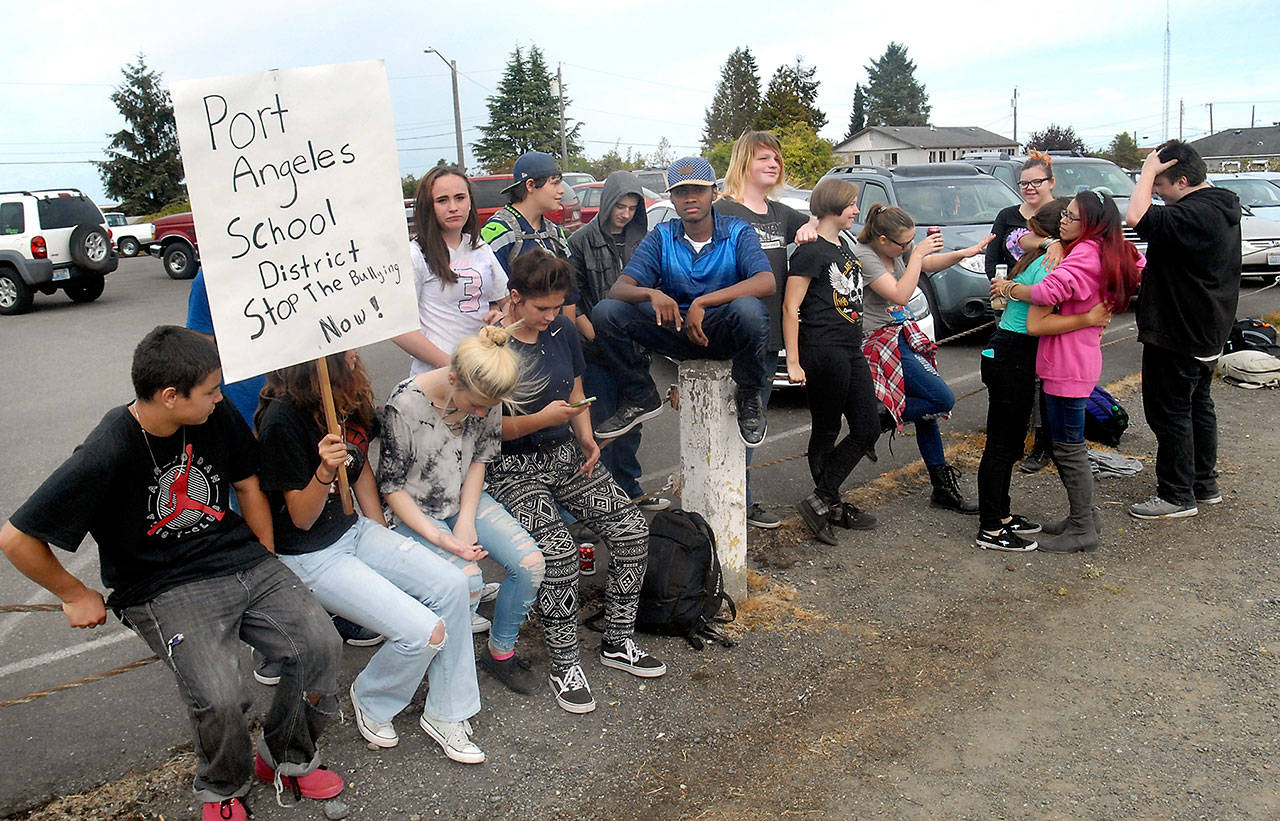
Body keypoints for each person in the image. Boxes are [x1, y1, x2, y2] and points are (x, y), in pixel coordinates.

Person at [0, 327, 344, 821]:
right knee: (223, 695)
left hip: (240, 559)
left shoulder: (212, 412)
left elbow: (246, 484)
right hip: (163, 586)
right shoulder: (108, 448)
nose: (220, 398)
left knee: (319, 646)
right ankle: (223, 787)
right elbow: (16, 538)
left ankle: (287, 755)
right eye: (210, 391)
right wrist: (73, 593)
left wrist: (265, 553)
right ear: (169, 396)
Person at [255, 350, 484, 763]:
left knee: (454, 584)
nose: (358, 357)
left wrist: (381, 537)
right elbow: (301, 521)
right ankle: (372, 697)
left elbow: (360, 468)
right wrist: (324, 472)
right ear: (319, 364)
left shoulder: (347, 401)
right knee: (423, 632)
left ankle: (447, 712)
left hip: (353, 532)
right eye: (349, 353)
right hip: (311, 554)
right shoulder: (282, 421)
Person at [486, 249, 665, 715]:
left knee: (631, 529)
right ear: (515, 298)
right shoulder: (491, 347)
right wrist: (538, 420)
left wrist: (586, 438)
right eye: (541, 308)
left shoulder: (563, 329)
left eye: (557, 306)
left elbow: (576, 389)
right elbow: (483, 430)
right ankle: (564, 663)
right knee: (559, 551)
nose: (551, 316)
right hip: (512, 468)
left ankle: (618, 640)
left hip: (565, 453)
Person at [378, 326, 545, 696]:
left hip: (462, 499)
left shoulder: (486, 394)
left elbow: (478, 462)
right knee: (467, 581)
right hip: (414, 511)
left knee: (531, 564)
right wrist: (442, 537)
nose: (483, 413)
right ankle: (444, 675)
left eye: (490, 406)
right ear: (454, 379)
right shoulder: (404, 404)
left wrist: (466, 522)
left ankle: (499, 653)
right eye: (477, 405)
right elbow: (391, 488)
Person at [592, 156, 774, 449]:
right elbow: (619, 289)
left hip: (722, 331)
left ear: (714, 193)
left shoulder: (737, 230)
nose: (690, 198)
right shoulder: (663, 235)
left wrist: (703, 302)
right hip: (676, 331)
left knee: (750, 310)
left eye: (698, 190)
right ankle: (640, 394)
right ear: (672, 199)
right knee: (606, 312)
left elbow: (766, 281)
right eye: (680, 192)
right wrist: (652, 293)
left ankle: (750, 395)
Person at [996, 190, 1143, 553]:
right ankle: (1085, 516)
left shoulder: (1084, 256)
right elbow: (1138, 266)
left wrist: (1010, 287)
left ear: (1090, 223)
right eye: (1063, 214)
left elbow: (1046, 293)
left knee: (1069, 447)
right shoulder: (1111, 249)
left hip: (1066, 363)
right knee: (1067, 444)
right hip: (1079, 358)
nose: (1063, 220)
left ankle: (1082, 527)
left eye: (1071, 217)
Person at [976, 199, 1112, 551]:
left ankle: (1002, 513)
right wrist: (1088, 318)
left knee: (1007, 441)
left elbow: (1018, 239)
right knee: (1003, 444)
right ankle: (991, 527)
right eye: (1065, 219)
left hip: (1006, 349)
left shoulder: (1039, 254)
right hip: (1014, 353)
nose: (1069, 222)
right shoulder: (1052, 262)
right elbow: (1037, 321)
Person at [1124, 140, 1242, 520]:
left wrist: (1146, 171)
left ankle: (1177, 495)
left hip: (1180, 331)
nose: (1156, 191)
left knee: (1170, 411)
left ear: (1182, 180)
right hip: (1207, 327)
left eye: (1161, 184)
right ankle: (1203, 484)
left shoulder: (1197, 214)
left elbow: (1137, 218)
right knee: (1197, 406)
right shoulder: (1218, 206)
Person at [855, 204, 992, 514]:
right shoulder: (865, 256)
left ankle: (941, 487)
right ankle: (875, 421)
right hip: (879, 342)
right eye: (903, 244)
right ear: (881, 239)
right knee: (941, 399)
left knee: (928, 414)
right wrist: (915, 256)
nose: (908, 248)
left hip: (903, 333)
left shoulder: (897, 249)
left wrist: (964, 253)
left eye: (910, 243)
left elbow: (926, 263)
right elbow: (900, 294)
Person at [715, 131, 819, 529]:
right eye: (762, 158)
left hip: (769, 336)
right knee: (724, 421)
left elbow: (818, 223)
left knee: (752, 426)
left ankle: (743, 500)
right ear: (744, 162)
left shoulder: (779, 212)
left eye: (776, 158)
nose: (772, 164)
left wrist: (809, 227)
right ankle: (728, 501)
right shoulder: (723, 211)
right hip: (732, 334)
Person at [781, 177, 880, 546]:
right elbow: (791, 307)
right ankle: (828, 501)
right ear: (835, 206)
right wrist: (793, 361)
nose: (856, 210)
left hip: (850, 346)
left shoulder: (843, 245)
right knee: (826, 428)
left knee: (867, 426)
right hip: (822, 348)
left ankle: (823, 498)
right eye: (852, 204)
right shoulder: (810, 251)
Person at [567, 170, 667, 510]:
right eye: (619, 206)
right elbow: (574, 297)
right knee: (602, 423)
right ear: (607, 203)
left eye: (632, 207)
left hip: (635, 347)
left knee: (632, 423)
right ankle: (602, 500)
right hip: (595, 349)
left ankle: (629, 490)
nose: (624, 214)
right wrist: (596, 334)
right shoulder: (580, 240)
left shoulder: (645, 239)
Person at [985, 151, 1063, 474]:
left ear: (1051, 182)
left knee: (1043, 380)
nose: (1029, 188)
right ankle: (1013, 440)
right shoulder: (1008, 215)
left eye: (1036, 182)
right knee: (1013, 381)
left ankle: (1043, 443)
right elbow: (994, 253)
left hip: (1043, 306)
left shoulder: (1061, 214)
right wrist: (998, 284)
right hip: (1008, 304)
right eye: (1024, 183)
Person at [393, 166, 508, 378]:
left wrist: (502, 318)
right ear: (428, 206)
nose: (453, 207)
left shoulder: (481, 248)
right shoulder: (415, 254)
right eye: (442, 200)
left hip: (484, 373)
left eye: (460, 197)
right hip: (438, 379)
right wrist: (451, 365)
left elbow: (508, 302)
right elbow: (399, 330)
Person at [479, 150, 571, 274]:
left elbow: (571, 287)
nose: (561, 191)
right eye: (555, 183)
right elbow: (491, 288)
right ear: (530, 185)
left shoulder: (555, 233)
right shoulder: (499, 233)